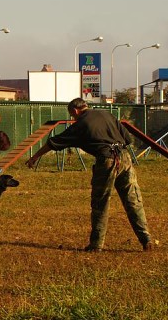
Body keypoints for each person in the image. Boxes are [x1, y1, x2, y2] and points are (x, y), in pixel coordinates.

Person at [25, 97, 156, 252]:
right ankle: (146, 239)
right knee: (133, 200)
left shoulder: (81, 124)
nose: (72, 118)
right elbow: (127, 139)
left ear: (74, 111)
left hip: (106, 161)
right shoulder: (107, 114)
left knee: (100, 203)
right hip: (125, 159)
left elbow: (54, 142)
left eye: (72, 116)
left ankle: (96, 245)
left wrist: (35, 156)